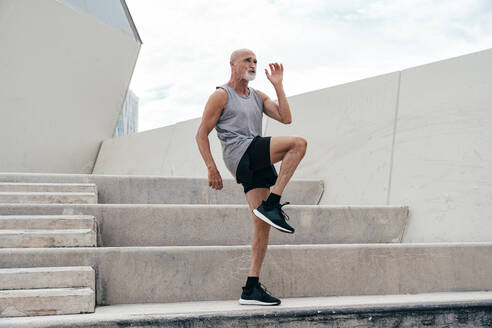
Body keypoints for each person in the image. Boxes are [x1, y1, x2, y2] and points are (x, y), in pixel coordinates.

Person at [195, 48, 307, 306]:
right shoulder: (221, 95)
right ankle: (273, 203)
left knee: (262, 225)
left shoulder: (258, 96)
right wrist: (211, 167)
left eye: (256, 61)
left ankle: (251, 288)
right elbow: (201, 133)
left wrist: (278, 85)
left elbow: (286, 118)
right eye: (248, 60)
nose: (253, 64)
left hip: (255, 158)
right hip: (240, 153)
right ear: (232, 64)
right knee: (298, 144)